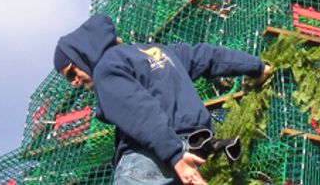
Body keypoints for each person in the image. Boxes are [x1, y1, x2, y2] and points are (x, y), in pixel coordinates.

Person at [53, 14, 272, 185]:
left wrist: (175, 155)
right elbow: (208, 57)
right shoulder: (158, 51)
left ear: (83, 53)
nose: (74, 82)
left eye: (72, 72)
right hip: (190, 150)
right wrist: (257, 67)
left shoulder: (106, 69)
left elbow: (141, 111)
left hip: (148, 160)